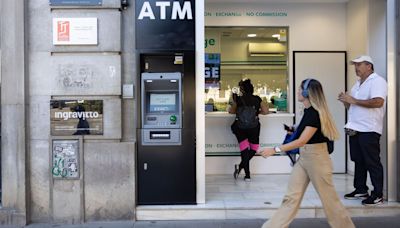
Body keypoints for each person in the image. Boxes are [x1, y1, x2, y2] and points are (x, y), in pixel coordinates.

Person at [259, 78, 355, 228]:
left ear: (306, 93)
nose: (297, 91)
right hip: (305, 158)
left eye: (299, 89)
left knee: (330, 201)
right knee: (291, 198)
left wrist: (274, 150)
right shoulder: (308, 112)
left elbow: (302, 141)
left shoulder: (314, 114)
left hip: (317, 159)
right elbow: (304, 137)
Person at [338, 55, 387, 206]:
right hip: (355, 127)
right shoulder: (357, 84)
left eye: (359, 65)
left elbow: (378, 102)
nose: (356, 68)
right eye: (355, 65)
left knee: (372, 162)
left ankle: (377, 194)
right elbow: (352, 106)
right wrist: (346, 101)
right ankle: (360, 189)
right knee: (358, 160)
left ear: (369, 66)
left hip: (369, 129)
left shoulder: (377, 81)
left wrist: (354, 100)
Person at [228, 79, 269, 181]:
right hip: (254, 127)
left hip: (240, 127)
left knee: (244, 150)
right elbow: (266, 111)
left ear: (242, 90)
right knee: (253, 149)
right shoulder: (257, 99)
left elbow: (231, 111)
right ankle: (243, 170)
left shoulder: (239, 99)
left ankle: (247, 174)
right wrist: (256, 112)